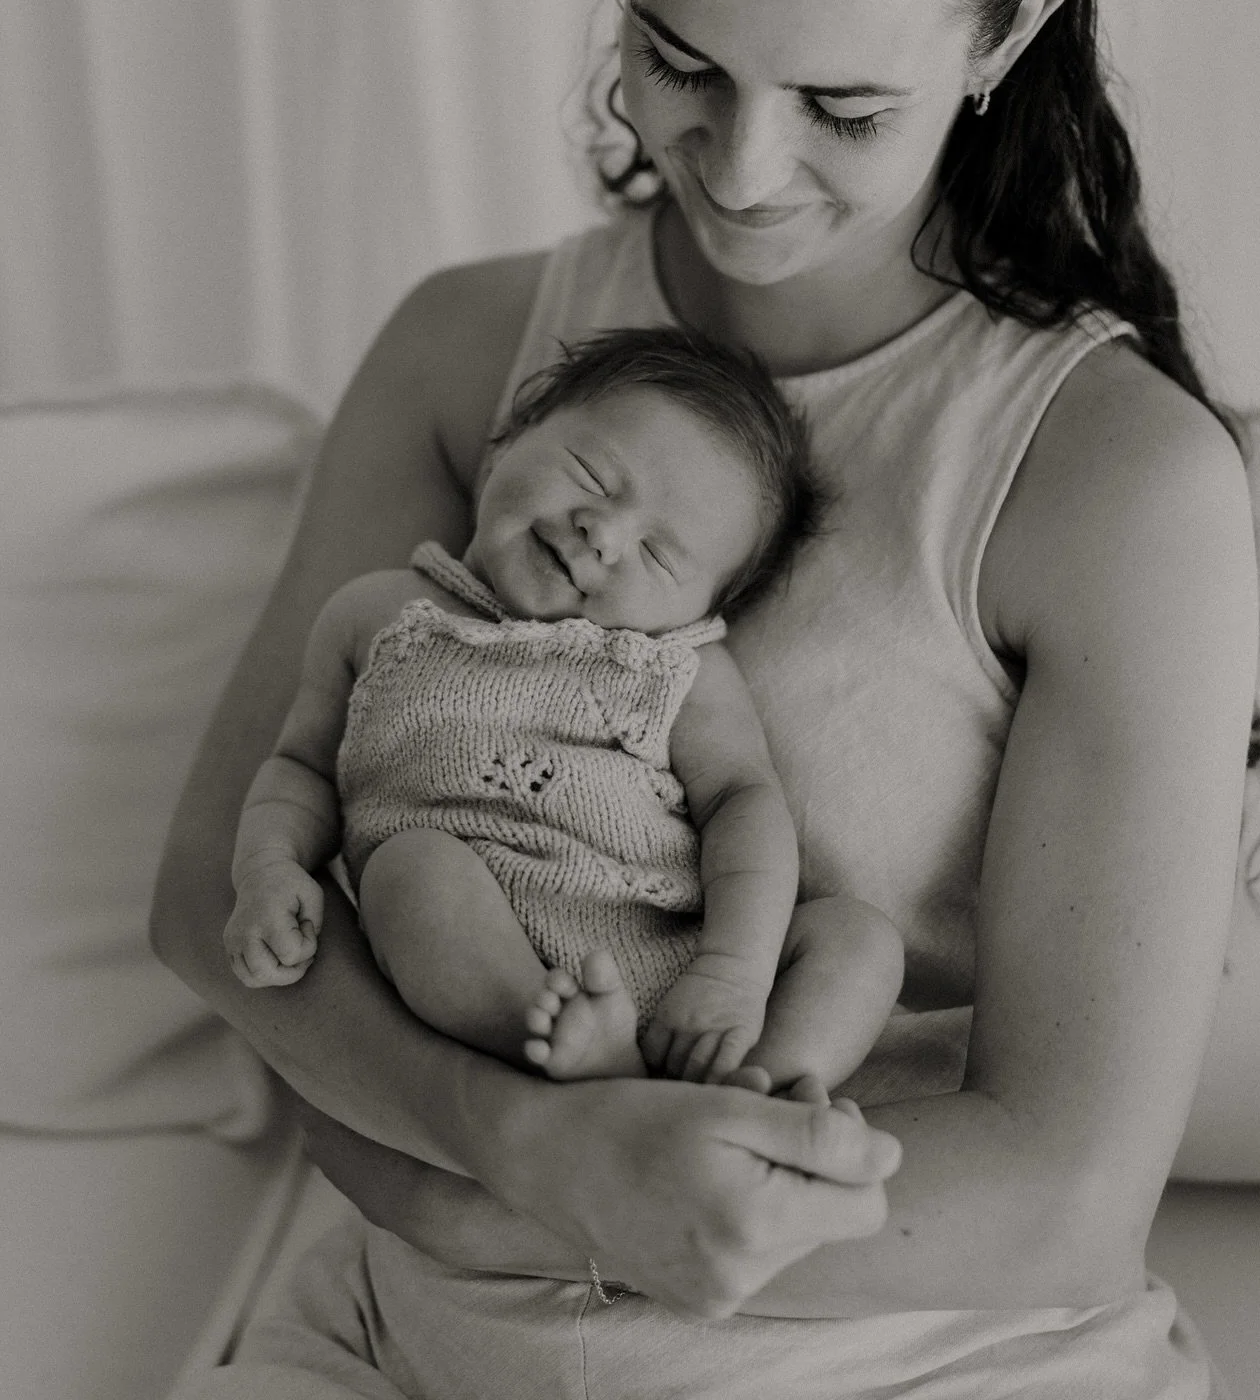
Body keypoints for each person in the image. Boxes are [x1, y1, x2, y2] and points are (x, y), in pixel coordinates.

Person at [154, 0, 1258, 1394]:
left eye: (843, 102)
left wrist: (533, 1197)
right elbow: (214, 894)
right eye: (682, 60)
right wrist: (515, 1146)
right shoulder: (466, 352)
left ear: (1007, 34)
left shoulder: (1112, 483)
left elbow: (1060, 1196)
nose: (743, 168)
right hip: (403, 1345)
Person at [222, 327, 904, 1094]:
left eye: (659, 555)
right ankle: (571, 1058)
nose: (603, 532)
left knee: (859, 939)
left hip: (680, 968)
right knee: (407, 873)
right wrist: (268, 869)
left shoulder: (679, 667)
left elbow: (741, 802)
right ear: (507, 441)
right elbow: (299, 767)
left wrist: (732, 977)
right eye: (590, 474)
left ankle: (757, 1095)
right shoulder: (375, 614)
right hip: (486, 950)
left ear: (702, 610)